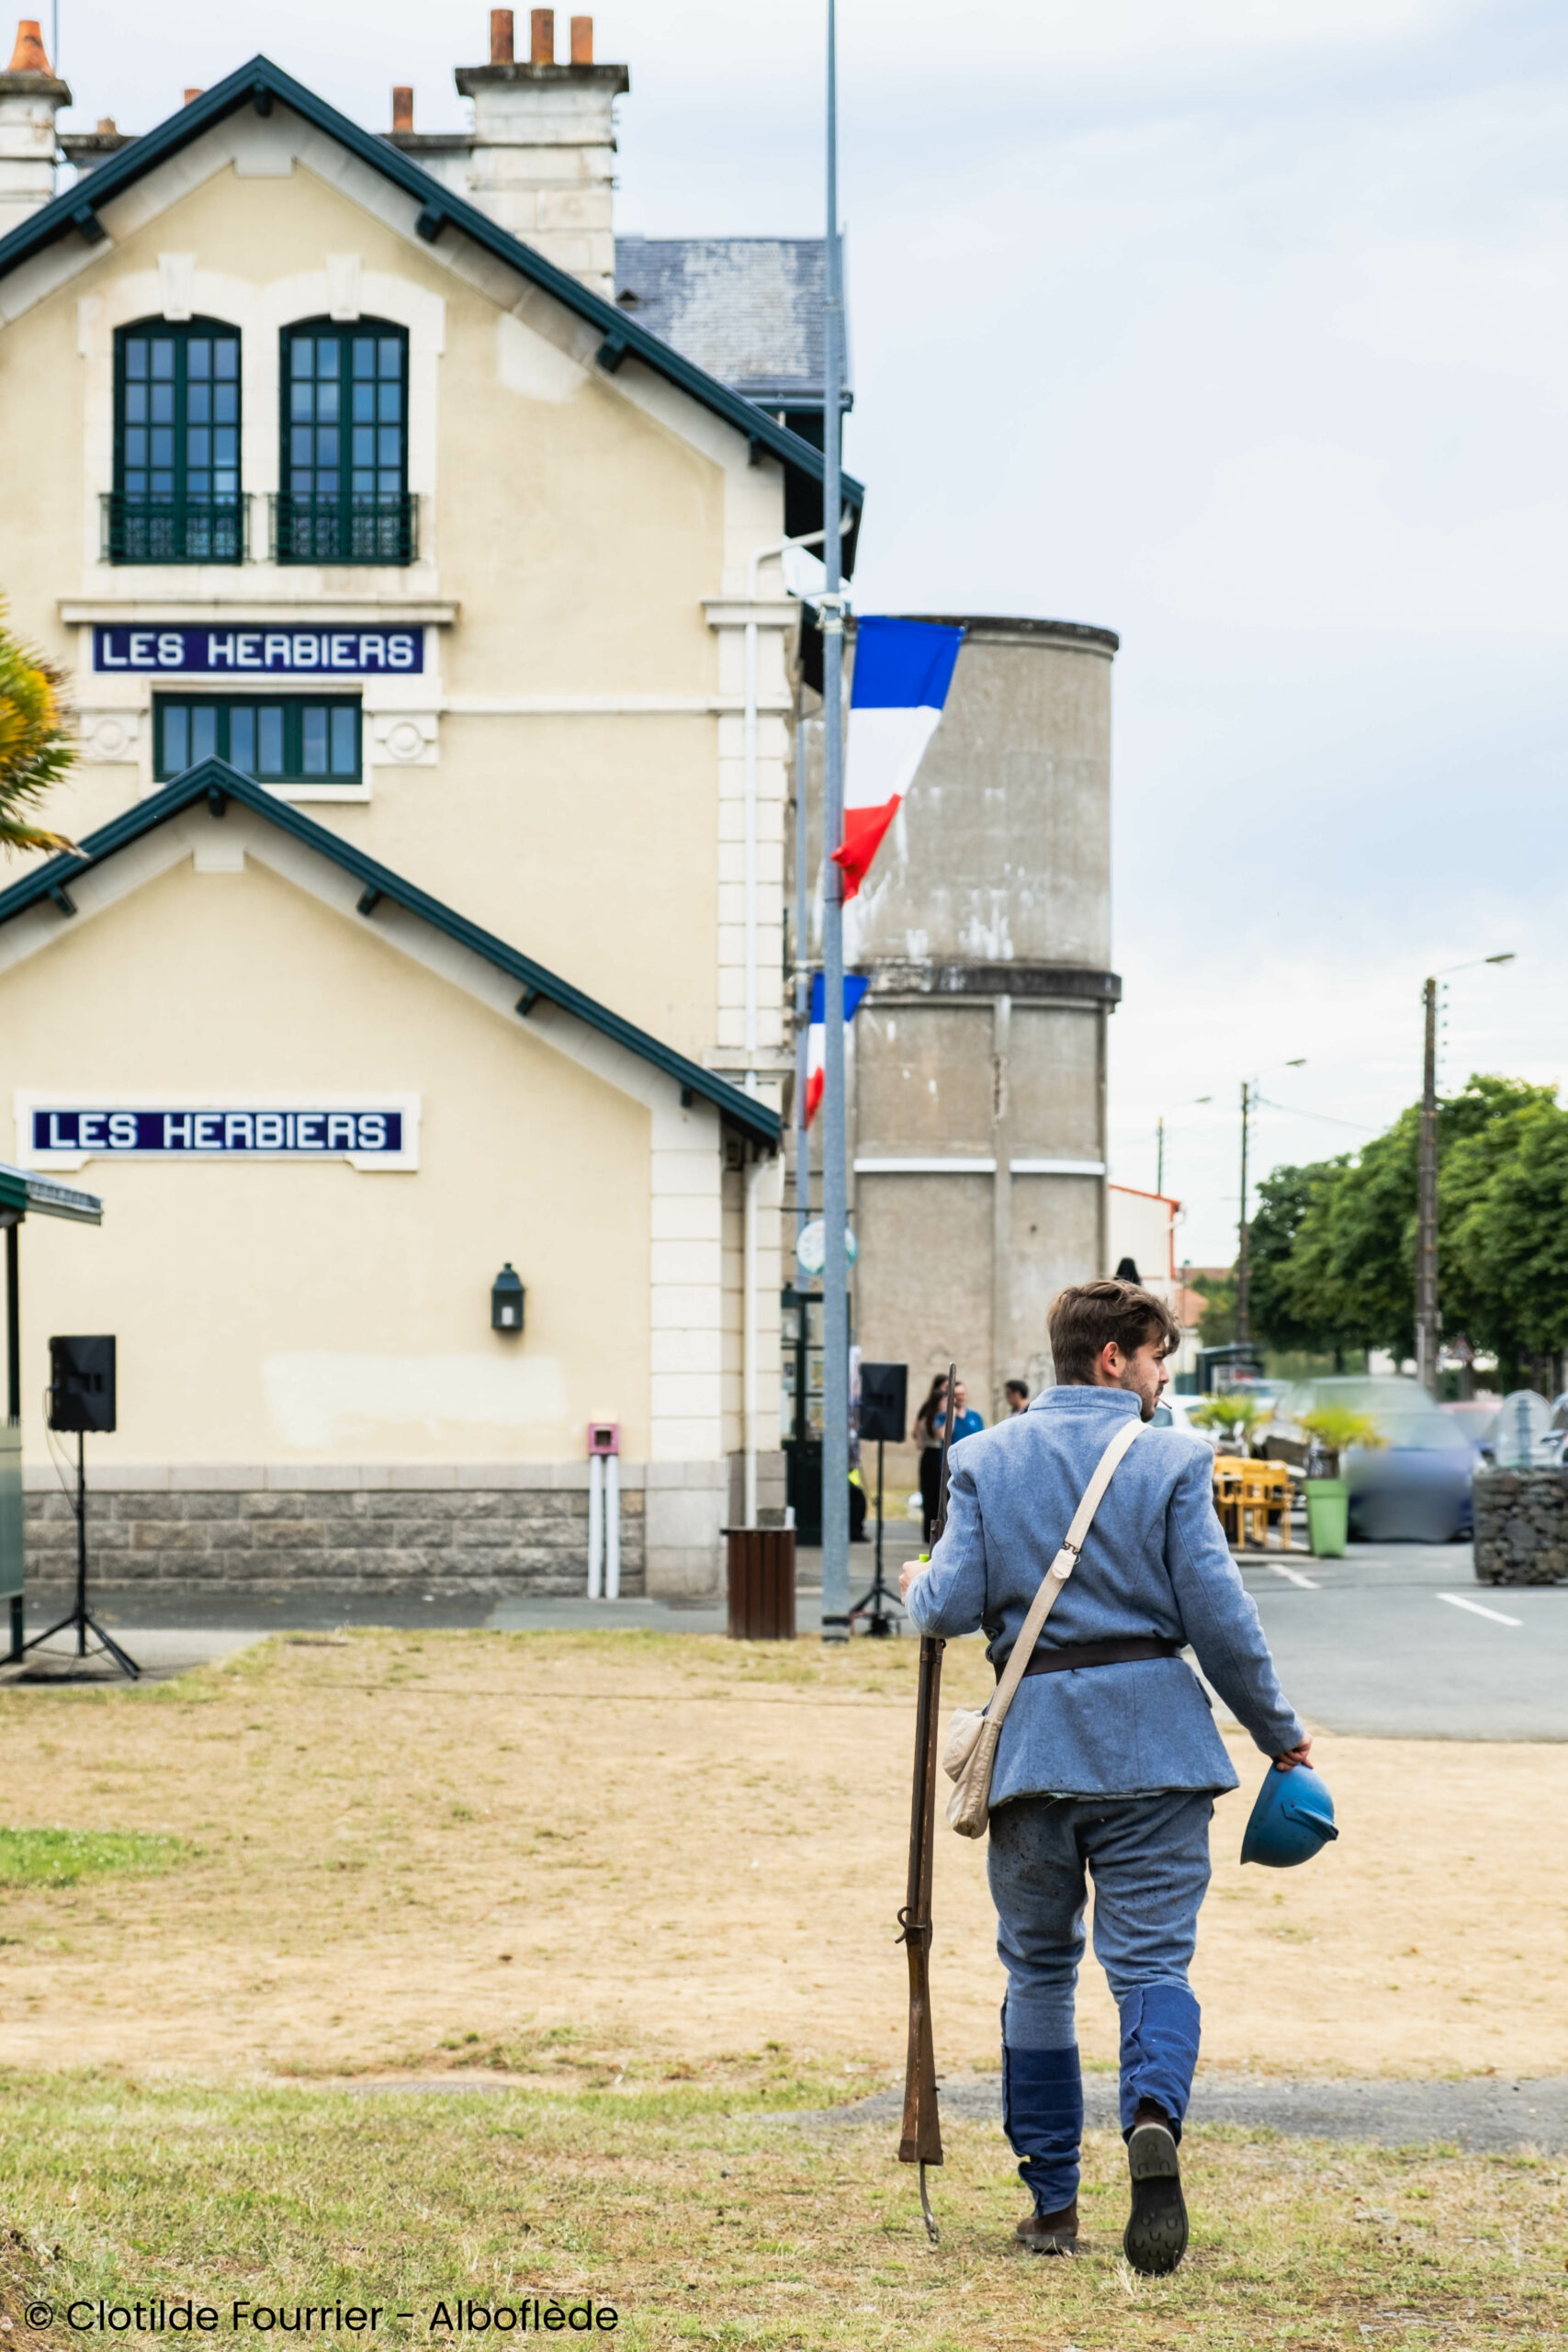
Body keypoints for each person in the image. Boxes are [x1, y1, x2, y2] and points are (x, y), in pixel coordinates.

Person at [898, 1278, 1308, 2276]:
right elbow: (1220, 1620)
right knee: (1153, 1967)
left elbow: (944, 1607)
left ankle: (1051, 2204)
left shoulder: (984, 1457)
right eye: (1158, 1357)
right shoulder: (1171, 1460)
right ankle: (1152, 2117)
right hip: (1158, 1752)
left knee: (1037, 1971)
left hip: (1032, 1753)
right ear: (1113, 1358)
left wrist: (918, 1584)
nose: (1164, 1378)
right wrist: (1279, 1735)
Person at [911, 1373, 950, 1548]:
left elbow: (917, 1440)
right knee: (937, 1496)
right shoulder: (938, 1418)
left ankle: (928, 1533)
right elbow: (943, 1435)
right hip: (936, 1456)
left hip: (927, 1455)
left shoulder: (925, 1416)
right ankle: (936, 1533)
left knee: (928, 1496)